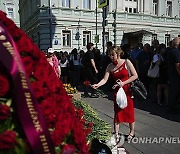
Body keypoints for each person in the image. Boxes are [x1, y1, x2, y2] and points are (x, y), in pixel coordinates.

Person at [92, 46, 138, 142]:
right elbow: (105, 79)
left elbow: (135, 76)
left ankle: (132, 132)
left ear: (118, 54)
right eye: (109, 55)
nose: (111, 57)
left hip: (127, 91)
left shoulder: (127, 62)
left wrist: (124, 83)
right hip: (118, 92)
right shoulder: (110, 66)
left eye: (113, 55)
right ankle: (116, 133)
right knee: (117, 113)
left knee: (129, 112)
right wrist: (97, 85)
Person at [167, 37, 180, 113]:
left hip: (171, 74)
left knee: (173, 91)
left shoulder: (170, 51)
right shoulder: (176, 52)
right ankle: (172, 107)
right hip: (175, 75)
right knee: (175, 92)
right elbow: (177, 65)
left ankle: (171, 106)